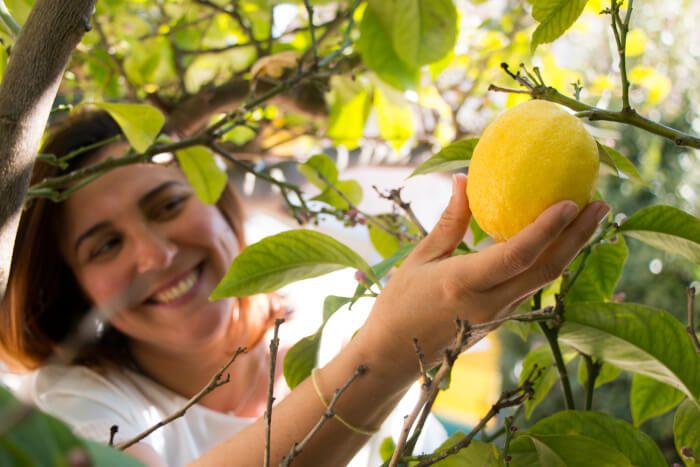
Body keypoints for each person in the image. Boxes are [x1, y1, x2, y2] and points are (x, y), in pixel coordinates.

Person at [0, 110, 609, 466]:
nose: (155, 254)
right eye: (104, 245)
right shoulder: (75, 409)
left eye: (166, 204)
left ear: (219, 204)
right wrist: (386, 354)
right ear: (73, 284)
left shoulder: (331, 319)